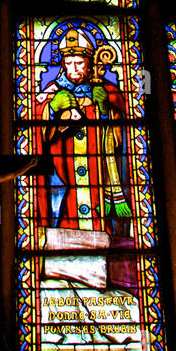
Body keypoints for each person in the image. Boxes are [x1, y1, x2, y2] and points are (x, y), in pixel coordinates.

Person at [33, 26, 133, 292]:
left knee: (97, 212)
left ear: (90, 64)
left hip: (98, 172)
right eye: (68, 63)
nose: (74, 69)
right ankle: (62, 271)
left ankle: (100, 271)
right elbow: (38, 126)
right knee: (65, 209)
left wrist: (104, 108)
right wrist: (55, 110)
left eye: (79, 63)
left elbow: (124, 124)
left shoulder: (105, 90)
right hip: (63, 173)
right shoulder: (54, 93)